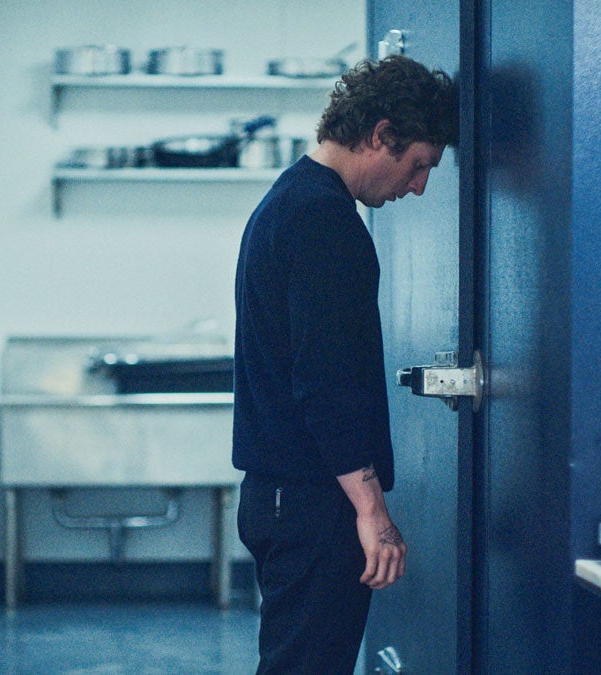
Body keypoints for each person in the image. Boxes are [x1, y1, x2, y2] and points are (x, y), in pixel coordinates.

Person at [232, 54, 458, 673]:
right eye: (419, 165)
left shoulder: (291, 198)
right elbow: (326, 384)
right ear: (381, 134)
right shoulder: (324, 222)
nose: (419, 186)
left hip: (283, 495)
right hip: (313, 502)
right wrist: (371, 510)